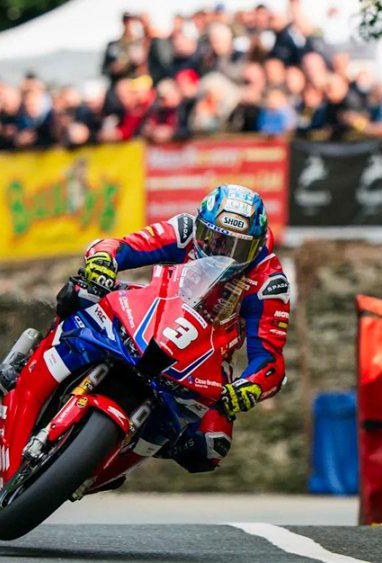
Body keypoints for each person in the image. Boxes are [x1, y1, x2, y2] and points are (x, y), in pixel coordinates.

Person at [53, 184, 293, 475]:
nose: (222, 252)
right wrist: (104, 261)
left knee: (209, 447)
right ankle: (32, 360)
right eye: (215, 239)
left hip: (208, 352)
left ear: (256, 246)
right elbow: (121, 246)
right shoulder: (184, 232)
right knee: (81, 294)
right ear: (200, 227)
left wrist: (251, 385)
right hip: (149, 310)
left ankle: (110, 465)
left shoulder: (269, 283)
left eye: (237, 248)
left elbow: (269, 360)